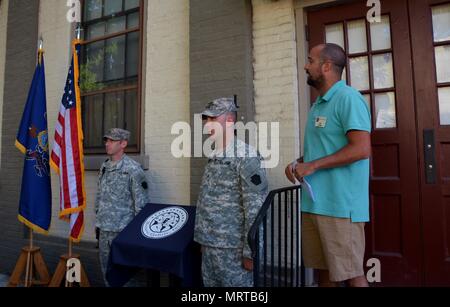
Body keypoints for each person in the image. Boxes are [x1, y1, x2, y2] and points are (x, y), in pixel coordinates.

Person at [285, 43, 372, 287]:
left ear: (326, 66)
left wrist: (311, 166)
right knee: (324, 273)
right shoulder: (318, 104)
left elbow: (361, 149)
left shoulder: (348, 98)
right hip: (315, 204)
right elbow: (324, 150)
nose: (305, 65)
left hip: (341, 206)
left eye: (310, 60)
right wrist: (298, 164)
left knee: (352, 273)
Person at [194, 97, 269, 287]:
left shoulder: (246, 156)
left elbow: (255, 210)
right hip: (211, 246)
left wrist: (250, 252)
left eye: (213, 119)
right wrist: (205, 241)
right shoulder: (214, 156)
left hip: (233, 250)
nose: (207, 124)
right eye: (206, 119)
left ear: (229, 121)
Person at [95, 128, 150, 287]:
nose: (107, 144)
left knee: (127, 278)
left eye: (112, 141)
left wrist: (135, 237)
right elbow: (100, 196)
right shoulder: (104, 167)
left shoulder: (133, 169)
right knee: (108, 274)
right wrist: (98, 223)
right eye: (106, 140)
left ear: (123, 144)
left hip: (123, 233)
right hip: (104, 230)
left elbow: (141, 206)